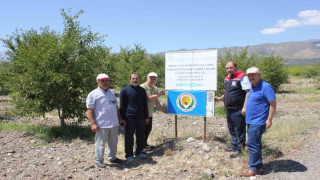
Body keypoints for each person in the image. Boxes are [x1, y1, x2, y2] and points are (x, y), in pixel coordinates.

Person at [240, 67, 276, 177]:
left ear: (259, 75)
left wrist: (269, 119)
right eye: (249, 75)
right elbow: (248, 97)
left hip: (258, 121)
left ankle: (254, 168)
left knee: (252, 144)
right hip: (251, 120)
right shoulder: (253, 86)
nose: (251, 77)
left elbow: (273, 104)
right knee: (256, 143)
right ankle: (258, 164)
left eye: (253, 75)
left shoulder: (266, 87)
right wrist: (245, 108)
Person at [86, 73, 125, 168]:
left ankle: (112, 157)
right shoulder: (93, 94)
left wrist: (120, 119)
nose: (105, 82)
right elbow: (89, 110)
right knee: (100, 144)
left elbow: (116, 107)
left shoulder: (111, 92)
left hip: (113, 123)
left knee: (113, 142)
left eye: (107, 80)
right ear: (97, 82)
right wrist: (92, 124)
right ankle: (99, 161)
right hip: (101, 124)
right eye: (102, 81)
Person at [214, 61, 251, 158]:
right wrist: (220, 99)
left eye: (231, 68)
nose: (228, 70)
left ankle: (240, 149)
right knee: (232, 129)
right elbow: (227, 92)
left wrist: (244, 107)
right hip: (229, 108)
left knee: (239, 130)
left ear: (236, 67)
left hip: (238, 109)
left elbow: (248, 92)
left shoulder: (242, 77)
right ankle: (234, 146)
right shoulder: (228, 78)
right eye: (227, 68)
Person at [120, 73, 149, 162]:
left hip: (140, 117)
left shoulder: (142, 90)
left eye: (136, 78)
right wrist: (122, 118)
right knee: (129, 137)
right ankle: (129, 155)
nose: (135, 80)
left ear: (139, 80)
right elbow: (122, 106)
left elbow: (145, 104)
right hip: (129, 117)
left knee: (140, 136)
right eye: (133, 78)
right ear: (130, 79)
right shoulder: (124, 90)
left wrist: (146, 117)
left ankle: (139, 152)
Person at [140, 72, 167, 150]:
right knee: (141, 131)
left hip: (149, 114)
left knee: (148, 129)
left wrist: (163, 110)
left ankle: (144, 144)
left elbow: (156, 102)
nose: (153, 80)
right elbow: (149, 98)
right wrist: (160, 94)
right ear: (147, 78)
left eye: (154, 79)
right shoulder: (142, 87)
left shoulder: (155, 88)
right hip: (141, 114)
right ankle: (139, 148)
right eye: (151, 78)